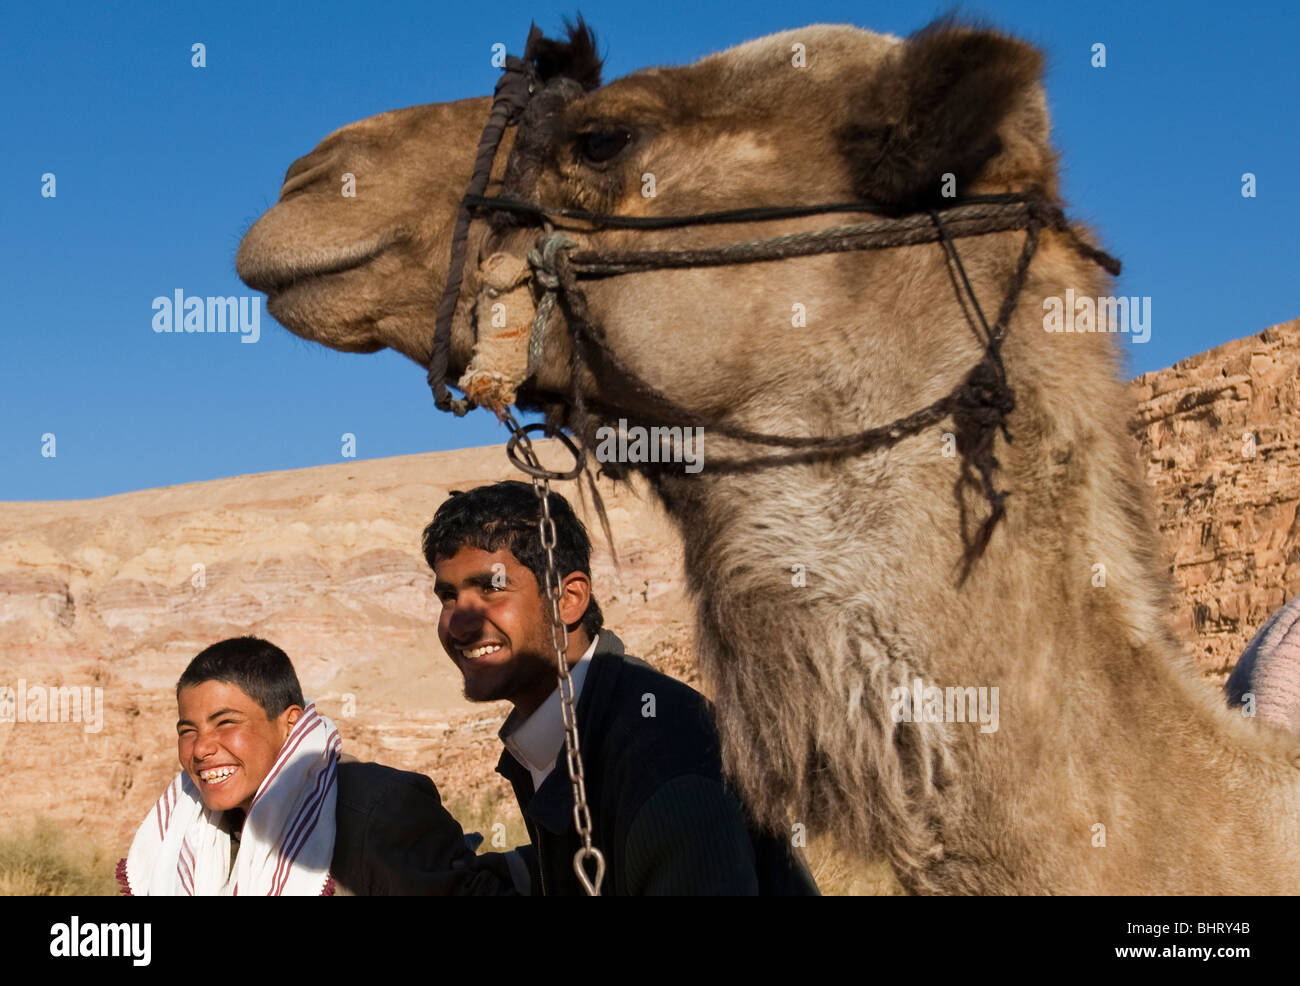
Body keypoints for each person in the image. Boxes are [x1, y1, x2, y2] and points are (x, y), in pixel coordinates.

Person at [423, 481, 819, 895]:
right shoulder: (574, 728)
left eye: (491, 587)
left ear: (569, 599)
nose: (460, 623)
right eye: (448, 596)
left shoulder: (665, 762)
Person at [117, 636, 510, 895]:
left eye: (226, 723)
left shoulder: (377, 810)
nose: (200, 748)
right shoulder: (187, 827)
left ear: (289, 724)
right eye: (188, 730)